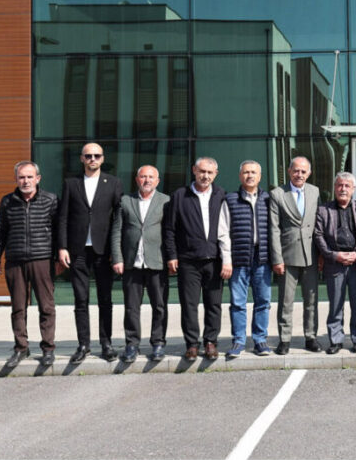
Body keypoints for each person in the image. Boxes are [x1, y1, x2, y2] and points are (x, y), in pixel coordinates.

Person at [56, 142, 124, 363]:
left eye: (96, 155)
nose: (92, 159)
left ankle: (106, 344)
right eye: (88, 156)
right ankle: (83, 344)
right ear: (81, 159)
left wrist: (117, 250)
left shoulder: (113, 183)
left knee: (105, 299)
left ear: (102, 158)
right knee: (81, 299)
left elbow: (119, 218)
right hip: (77, 250)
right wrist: (62, 247)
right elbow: (63, 217)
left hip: (104, 251)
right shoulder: (71, 183)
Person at [0, 160, 59, 368]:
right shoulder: (7, 201)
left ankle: (48, 349)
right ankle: (21, 348)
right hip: (15, 260)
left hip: (42, 259)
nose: (26, 181)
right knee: (18, 307)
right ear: (16, 179)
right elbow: (1, 231)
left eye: (30, 177)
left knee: (46, 307)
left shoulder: (50, 200)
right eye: (21, 177)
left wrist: (58, 257)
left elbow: (58, 232)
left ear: (38, 178)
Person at [163, 157, 232, 360]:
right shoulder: (180, 195)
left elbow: (226, 230)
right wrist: (172, 255)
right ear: (194, 170)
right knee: (189, 304)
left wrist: (227, 259)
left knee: (214, 304)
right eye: (202, 171)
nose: (205, 176)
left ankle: (210, 342)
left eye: (210, 173)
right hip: (188, 260)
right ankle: (192, 344)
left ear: (216, 174)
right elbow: (170, 229)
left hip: (214, 260)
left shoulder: (221, 194)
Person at [111, 165, 170, 363]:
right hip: (131, 263)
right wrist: (117, 258)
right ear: (137, 180)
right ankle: (132, 344)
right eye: (143, 177)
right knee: (131, 307)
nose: (147, 180)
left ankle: (158, 343)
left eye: (151, 177)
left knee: (159, 306)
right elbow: (117, 231)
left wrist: (171, 258)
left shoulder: (166, 201)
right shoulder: (125, 201)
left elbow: (170, 233)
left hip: (157, 262)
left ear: (157, 181)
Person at [269, 156, 321, 354]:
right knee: (286, 301)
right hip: (287, 256)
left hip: (311, 255)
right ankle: (284, 339)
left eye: (303, 171)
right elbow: (274, 229)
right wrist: (277, 259)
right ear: (289, 171)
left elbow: (319, 223)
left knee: (311, 300)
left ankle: (311, 337)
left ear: (309, 173)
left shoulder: (315, 191)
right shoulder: (277, 194)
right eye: (296, 170)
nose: (299, 174)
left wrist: (322, 254)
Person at [224, 160, 273, 359]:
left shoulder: (269, 199)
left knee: (263, 301)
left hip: (262, 258)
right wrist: (227, 259)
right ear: (240, 176)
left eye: (254, 172)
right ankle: (238, 341)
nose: (250, 175)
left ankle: (260, 340)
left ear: (260, 177)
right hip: (239, 258)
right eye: (246, 172)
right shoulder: (230, 199)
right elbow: (223, 231)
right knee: (238, 302)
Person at [314, 172, 356, 354]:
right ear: (334, 187)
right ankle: (336, 340)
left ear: (353, 189)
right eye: (339, 185)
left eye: (347, 186)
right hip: (334, 263)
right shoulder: (323, 210)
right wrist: (334, 255)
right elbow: (318, 235)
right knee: (336, 304)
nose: (343, 189)